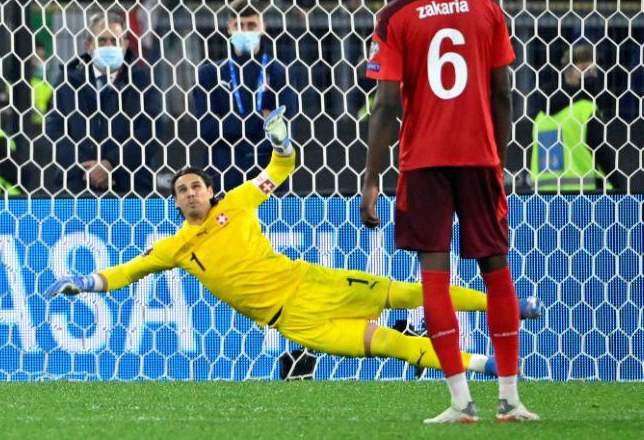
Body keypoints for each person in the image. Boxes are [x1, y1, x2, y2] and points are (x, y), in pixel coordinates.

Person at [48, 108, 543, 385]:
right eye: (182, 190)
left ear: (210, 192)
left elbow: (279, 170)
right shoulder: (175, 248)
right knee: (391, 346)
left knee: (409, 293)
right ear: (176, 205)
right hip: (297, 323)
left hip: (313, 283)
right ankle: (485, 365)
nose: (191, 191)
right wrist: (85, 283)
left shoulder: (236, 204)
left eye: (197, 184)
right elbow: (129, 271)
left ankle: (509, 306)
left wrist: (282, 143)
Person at [361, 0, 538, 423]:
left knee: (434, 277)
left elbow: (386, 105)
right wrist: (499, 160)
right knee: (496, 269)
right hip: (479, 158)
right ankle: (510, 399)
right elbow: (504, 92)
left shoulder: (395, 15)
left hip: (424, 162)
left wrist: (372, 178)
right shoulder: (486, 6)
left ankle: (461, 402)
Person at [45, 10, 162, 195]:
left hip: (131, 189)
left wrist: (110, 164)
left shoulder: (142, 81)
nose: (109, 46)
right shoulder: (67, 80)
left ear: (125, 45)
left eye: (115, 41)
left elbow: (151, 130)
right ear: (89, 45)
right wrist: (88, 170)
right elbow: (54, 129)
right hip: (76, 187)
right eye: (102, 40)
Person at [193, 0, 297, 192]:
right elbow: (207, 130)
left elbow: (284, 130)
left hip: (269, 177)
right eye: (239, 25)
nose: (245, 31)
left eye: (251, 25)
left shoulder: (279, 72)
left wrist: (230, 123)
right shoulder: (209, 74)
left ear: (263, 27)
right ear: (228, 28)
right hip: (223, 177)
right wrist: (260, 118)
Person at [530, 45, 624, 194]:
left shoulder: (541, 115)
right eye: (585, 68)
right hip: (586, 198)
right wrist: (621, 188)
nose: (591, 75)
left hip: (545, 198)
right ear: (569, 71)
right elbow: (602, 155)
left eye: (594, 70)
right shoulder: (585, 110)